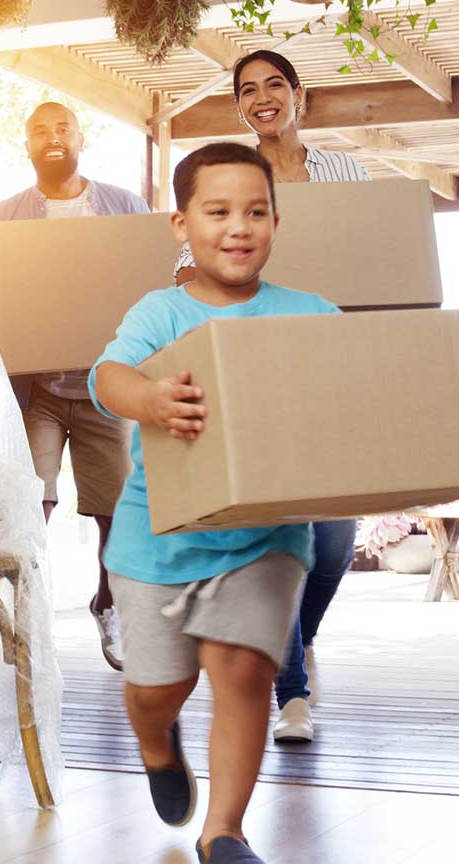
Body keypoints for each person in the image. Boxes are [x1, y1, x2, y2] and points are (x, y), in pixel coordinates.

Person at [89, 142, 339, 864]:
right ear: (180, 224)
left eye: (256, 212)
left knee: (242, 669)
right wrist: (151, 400)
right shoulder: (161, 313)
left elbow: (352, 382)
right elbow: (110, 377)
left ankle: (222, 831)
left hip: (267, 534)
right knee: (157, 689)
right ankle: (155, 741)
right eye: (219, 211)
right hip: (158, 536)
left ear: (275, 221)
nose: (239, 227)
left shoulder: (310, 313)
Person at [174, 50, 370, 743]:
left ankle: (299, 639)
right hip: (256, 367)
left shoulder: (344, 171)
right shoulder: (231, 175)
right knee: (283, 534)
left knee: (337, 537)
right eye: (248, 90)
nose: (263, 98)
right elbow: (196, 258)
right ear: (240, 104)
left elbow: (370, 255)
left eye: (275, 85)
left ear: (298, 95)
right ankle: (292, 696)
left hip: (327, 363)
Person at [0, 101, 149, 670]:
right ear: (28, 145)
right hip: (36, 391)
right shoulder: (1, 218)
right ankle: (12, 612)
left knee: (116, 513)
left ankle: (108, 604)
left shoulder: (124, 208)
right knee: (29, 507)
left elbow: (157, 283)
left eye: (63, 128)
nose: (53, 137)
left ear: (81, 138)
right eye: (41, 130)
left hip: (105, 386)